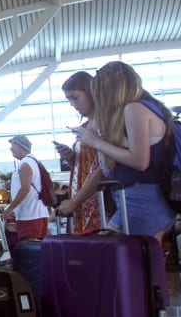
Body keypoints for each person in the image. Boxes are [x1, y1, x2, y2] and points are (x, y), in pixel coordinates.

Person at [60, 61, 176, 243]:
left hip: (141, 198)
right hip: (143, 198)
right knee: (138, 260)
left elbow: (139, 161)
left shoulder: (134, 109)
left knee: (131, 263)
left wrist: (96, 142)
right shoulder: (146, 107)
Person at [53, 71, 103, 234]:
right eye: (69, 99)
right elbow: (86, 164)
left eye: (75, 97)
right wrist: (70, 157)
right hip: (83, 198)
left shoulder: (104, 124)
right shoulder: (86, 126)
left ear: (90, 92)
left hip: (97, 199)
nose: (72, 104)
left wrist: (75, 201)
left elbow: (104, 167)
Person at [3, 136, 50, 242]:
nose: (11, 149)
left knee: (31, 248)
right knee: (35, 248)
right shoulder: (34, 161)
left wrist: (10, 208)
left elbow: (25, 188)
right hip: (36, 212)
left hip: (30, 214)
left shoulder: (25, 163)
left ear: (21, 146)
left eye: (13, 145)